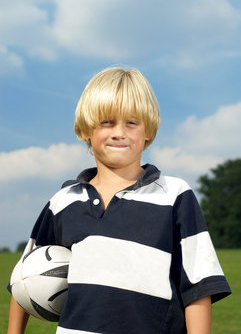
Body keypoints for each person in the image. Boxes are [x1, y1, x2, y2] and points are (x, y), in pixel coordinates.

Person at [8, 67, 231, 334]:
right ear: (86, 129)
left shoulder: (174, 196)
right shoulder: (63, 202)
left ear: (147, 130)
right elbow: (25, 275)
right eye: (107, 122)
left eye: (131, 123)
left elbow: (198, 287)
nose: (119, 132)